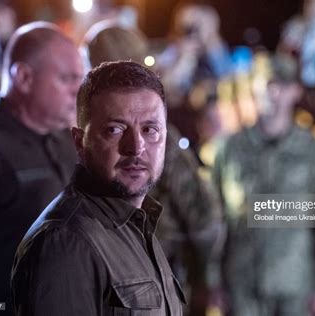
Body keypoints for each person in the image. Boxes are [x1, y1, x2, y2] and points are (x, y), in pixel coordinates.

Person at [11, 61, 186, 315]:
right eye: (114, 130)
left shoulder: (137, 222)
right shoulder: (66, 242)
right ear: (80, 142)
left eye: (150, 129)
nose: (136, 148)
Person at [82, 24, 225, 315]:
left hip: (107, 280)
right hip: (153, 282)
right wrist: (204, 281)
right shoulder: (155, 134)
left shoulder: (79, 133)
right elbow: (203, 218)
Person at [0, 22, 83, 316]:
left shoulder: (68, 139)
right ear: (24, 77)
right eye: (67, 79)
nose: (78, 91)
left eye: (81, 79)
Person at [213, 56, 315, 316]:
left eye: (282, 84)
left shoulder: (314, 150)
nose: (273, 92)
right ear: (254, 87)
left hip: (296, 283)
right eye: (267, 83)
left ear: (296, 91)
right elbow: (216, 219)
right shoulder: (231, 149)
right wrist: (212, 279)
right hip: (242, 282)